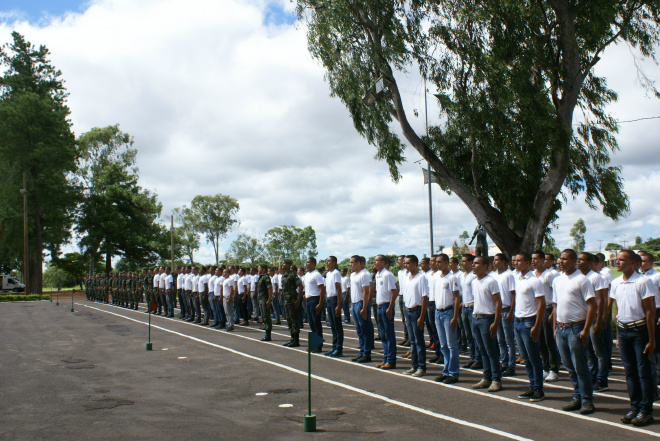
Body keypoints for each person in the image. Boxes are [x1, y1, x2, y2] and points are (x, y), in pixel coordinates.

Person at [610, 250, 656, 427]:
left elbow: (650, 312)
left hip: (640, 331)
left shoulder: (643, 282)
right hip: (623, 330)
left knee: (643, 372)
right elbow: (617, 310)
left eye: (622, 260)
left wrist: (652, 340)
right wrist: (618, 337)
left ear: (633, 263)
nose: (617, 263)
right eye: (617, 260)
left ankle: (646, 410)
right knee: (630, 373)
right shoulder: (615, 283)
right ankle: (634, 407)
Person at [552, 249, 598, 415]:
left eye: (565, 259)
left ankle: (587, 400)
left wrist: (586, 329)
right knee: (569, 366)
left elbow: (593, 305)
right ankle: (577, 396)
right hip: (561, 328)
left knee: (580, 366)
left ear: (573, 261)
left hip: (576, 328)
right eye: (560, 259)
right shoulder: (557, 280)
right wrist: (555, 328)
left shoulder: (581, 280)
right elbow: (556, 305)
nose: (561, 262)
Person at [513, 253, 547, 402]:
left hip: (529, 322)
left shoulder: (534, 281)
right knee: (525, 358)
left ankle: (539, 389)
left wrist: (536, 325)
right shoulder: (518, 279)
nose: (516, 263)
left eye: (519, 261)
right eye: (515, 261)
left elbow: (542, 304)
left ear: (527, 263)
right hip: (518, 321)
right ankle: (532, 386)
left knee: (534, 358)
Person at [577, 252, 609, 391]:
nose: (578, 262)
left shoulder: (596, 277)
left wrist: (599, 321)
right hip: (583, 318)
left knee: (598, 351)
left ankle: (602, 380)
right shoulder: (578, 277)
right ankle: (593, 376)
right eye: (577, 259)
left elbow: (601, 300)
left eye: (581, 260)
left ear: (589, 262)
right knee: (588, 351)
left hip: (594, 317)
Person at [470, 256, 503, 392]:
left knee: (491, 351)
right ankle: (486, 377)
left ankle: (496, 379)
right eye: (473, 263)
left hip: (486, 319)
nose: (473, 265)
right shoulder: (474, 282)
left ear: (485, 266)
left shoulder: (491, 281)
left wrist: (495, 322)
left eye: (476, 263)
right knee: (482, 350)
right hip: (475, 318)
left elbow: (498, 303)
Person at [433, 253, 461, 383]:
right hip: (438, 313)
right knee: (443, 345)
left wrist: (455, 317)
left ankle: (453, 373)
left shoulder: (452, 278)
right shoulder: (438, 278)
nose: (437, 264)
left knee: (451, 345)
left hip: (448, 312)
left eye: (439, 262)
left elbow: (456, 298)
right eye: (436, 262)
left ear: (446, 262)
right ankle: (446, 371)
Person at [532, 251, 560, 382]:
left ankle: (554, 369)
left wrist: (554, 312)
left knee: (549, 342)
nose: (533, 261)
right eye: (532, 259)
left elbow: (556, 294)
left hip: (548, 310)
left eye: (536, 258)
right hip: (536, 310)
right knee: (540, 341)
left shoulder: (549, 275)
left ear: (543, 260)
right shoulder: (532, 275)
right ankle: (545, 367)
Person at [402, 255, 428, 377]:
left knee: (419, 340)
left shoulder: (421, 278)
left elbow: (424, 297)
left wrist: (422, 316)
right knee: (412, 341)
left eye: (407, 263)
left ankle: (421, 366)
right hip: (408, 311)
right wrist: (406, 314)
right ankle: (414, 365)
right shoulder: (407, 278)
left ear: (414, 264)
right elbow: (406, 296)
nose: (405, 265)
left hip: (417, 311)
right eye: (405, 263)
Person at [493, 253, 516, 377]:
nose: (495, 262)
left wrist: (511, 312)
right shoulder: (493, 276)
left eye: (497, 260)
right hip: (497, 311)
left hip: (506, 310)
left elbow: (513, 295)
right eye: (494, 260)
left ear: (503, 262)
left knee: (508, 340)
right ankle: (504, 362)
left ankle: (511, 365)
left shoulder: (509, 275)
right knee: (500, 339)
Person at [374, 255, 398, 369]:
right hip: (379, 306)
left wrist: (390, 307)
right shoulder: (377, 275)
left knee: (389, 335)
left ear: (383, 262)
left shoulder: (387, 274)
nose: (374, 262)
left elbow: (394, 291)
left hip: (386, 306)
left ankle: (391, 360)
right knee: (383, 335)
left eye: (377, 260)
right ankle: (385, 359)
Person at [350, 255, 374, 363]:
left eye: (353, 262)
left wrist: (364, 308)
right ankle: (361, 351)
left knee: (365, 330)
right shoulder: (352, 275)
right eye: (350, 262)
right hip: (355, 304)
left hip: (361, 303)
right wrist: (351, 305)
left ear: (359, 263)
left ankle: (366, 353)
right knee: (359, 330)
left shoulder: (364, 275)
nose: (351, 264)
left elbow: (366, 292)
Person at [459, 254, 480, 369]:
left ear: (471, 262)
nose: (462, 263)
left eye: (464, 261)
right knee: (468, 335)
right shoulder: (463, 276)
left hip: (472, 307)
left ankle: (478, 358)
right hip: (464, 307)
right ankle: (472, 357)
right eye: (461, 261)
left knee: (474, 334)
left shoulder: (473, 275)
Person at [324, 256, 344, 356]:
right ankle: (334, 346)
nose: (327, 263)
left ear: (334, 263)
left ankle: (339, 349)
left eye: (329, 261)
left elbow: (339, 289)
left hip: (334, 300)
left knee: (337, 325)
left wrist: (338, 305)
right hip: (329, 299)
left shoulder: (336, 273)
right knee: (332, 325)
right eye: (326, 261)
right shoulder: (328, 274)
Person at [281, 259, 303, 347]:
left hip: (292, 300)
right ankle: (292, 338)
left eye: (284, 263)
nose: (282, 264)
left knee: (294, 320)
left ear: (289, 264)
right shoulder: (284, 275)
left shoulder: (292, 274)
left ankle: (296, 340)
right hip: (286, 300)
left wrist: (298, 298)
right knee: (289, 320)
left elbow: (301, 286)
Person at [257, 264, 273, 341]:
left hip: (264, 299)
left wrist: (269, 300)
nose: (258, 269)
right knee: (263, 316)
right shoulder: (261, 277)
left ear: (263, 269)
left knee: (266, 317)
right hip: (261, 299)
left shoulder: (266, 277)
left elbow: (270, 288)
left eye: (259, 268)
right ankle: (266, 334)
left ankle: (268, 335)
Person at [397, 255, 409, 346]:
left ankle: (409, 338)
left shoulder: (407, 272)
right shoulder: (399, 272)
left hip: (406, 297)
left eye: (400, 260)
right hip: (400, 296)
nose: (398, 262)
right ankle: (406, 337)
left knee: (407, 319)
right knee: (403, 319)